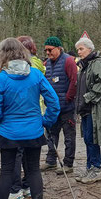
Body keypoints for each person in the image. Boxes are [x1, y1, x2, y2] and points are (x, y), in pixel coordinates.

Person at [0, 38, 60, 199]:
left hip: (9, 133)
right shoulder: (35, 75)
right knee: (33, 170)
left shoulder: (1, 78)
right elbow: (53, 102)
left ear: (3, 55)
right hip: (33, 132)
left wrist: (3, 120)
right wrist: (45, 121)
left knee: (7, 172)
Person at [5, 35, 47, 199]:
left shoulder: (31, 67)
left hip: (26, 115)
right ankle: (27, 187)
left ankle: (17, 189)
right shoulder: (35, 65)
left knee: (19, 154)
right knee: (27, 157)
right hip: (33, 114)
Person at [74, 37, 101, 184]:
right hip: (85, 109)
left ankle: (96, 169)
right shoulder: (84, 66)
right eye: (78, 49)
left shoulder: (97, 64)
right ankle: (89, 167)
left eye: (81, 49)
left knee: (92, 139)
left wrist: (87, 98)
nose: (79, 52)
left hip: (94, 109)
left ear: (89, 49)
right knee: (87, 139)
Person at [41, 36, 77, 175]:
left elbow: (74, 81)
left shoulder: (68, 61)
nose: (48, 53)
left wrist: (68, 98)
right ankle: (51, 161)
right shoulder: (47, 63)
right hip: (52, 109)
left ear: (58, 48)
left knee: (69, 136)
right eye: (46, 50)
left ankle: (68, 163)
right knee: (51, 135)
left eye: (50, 50)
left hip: (66, 108)